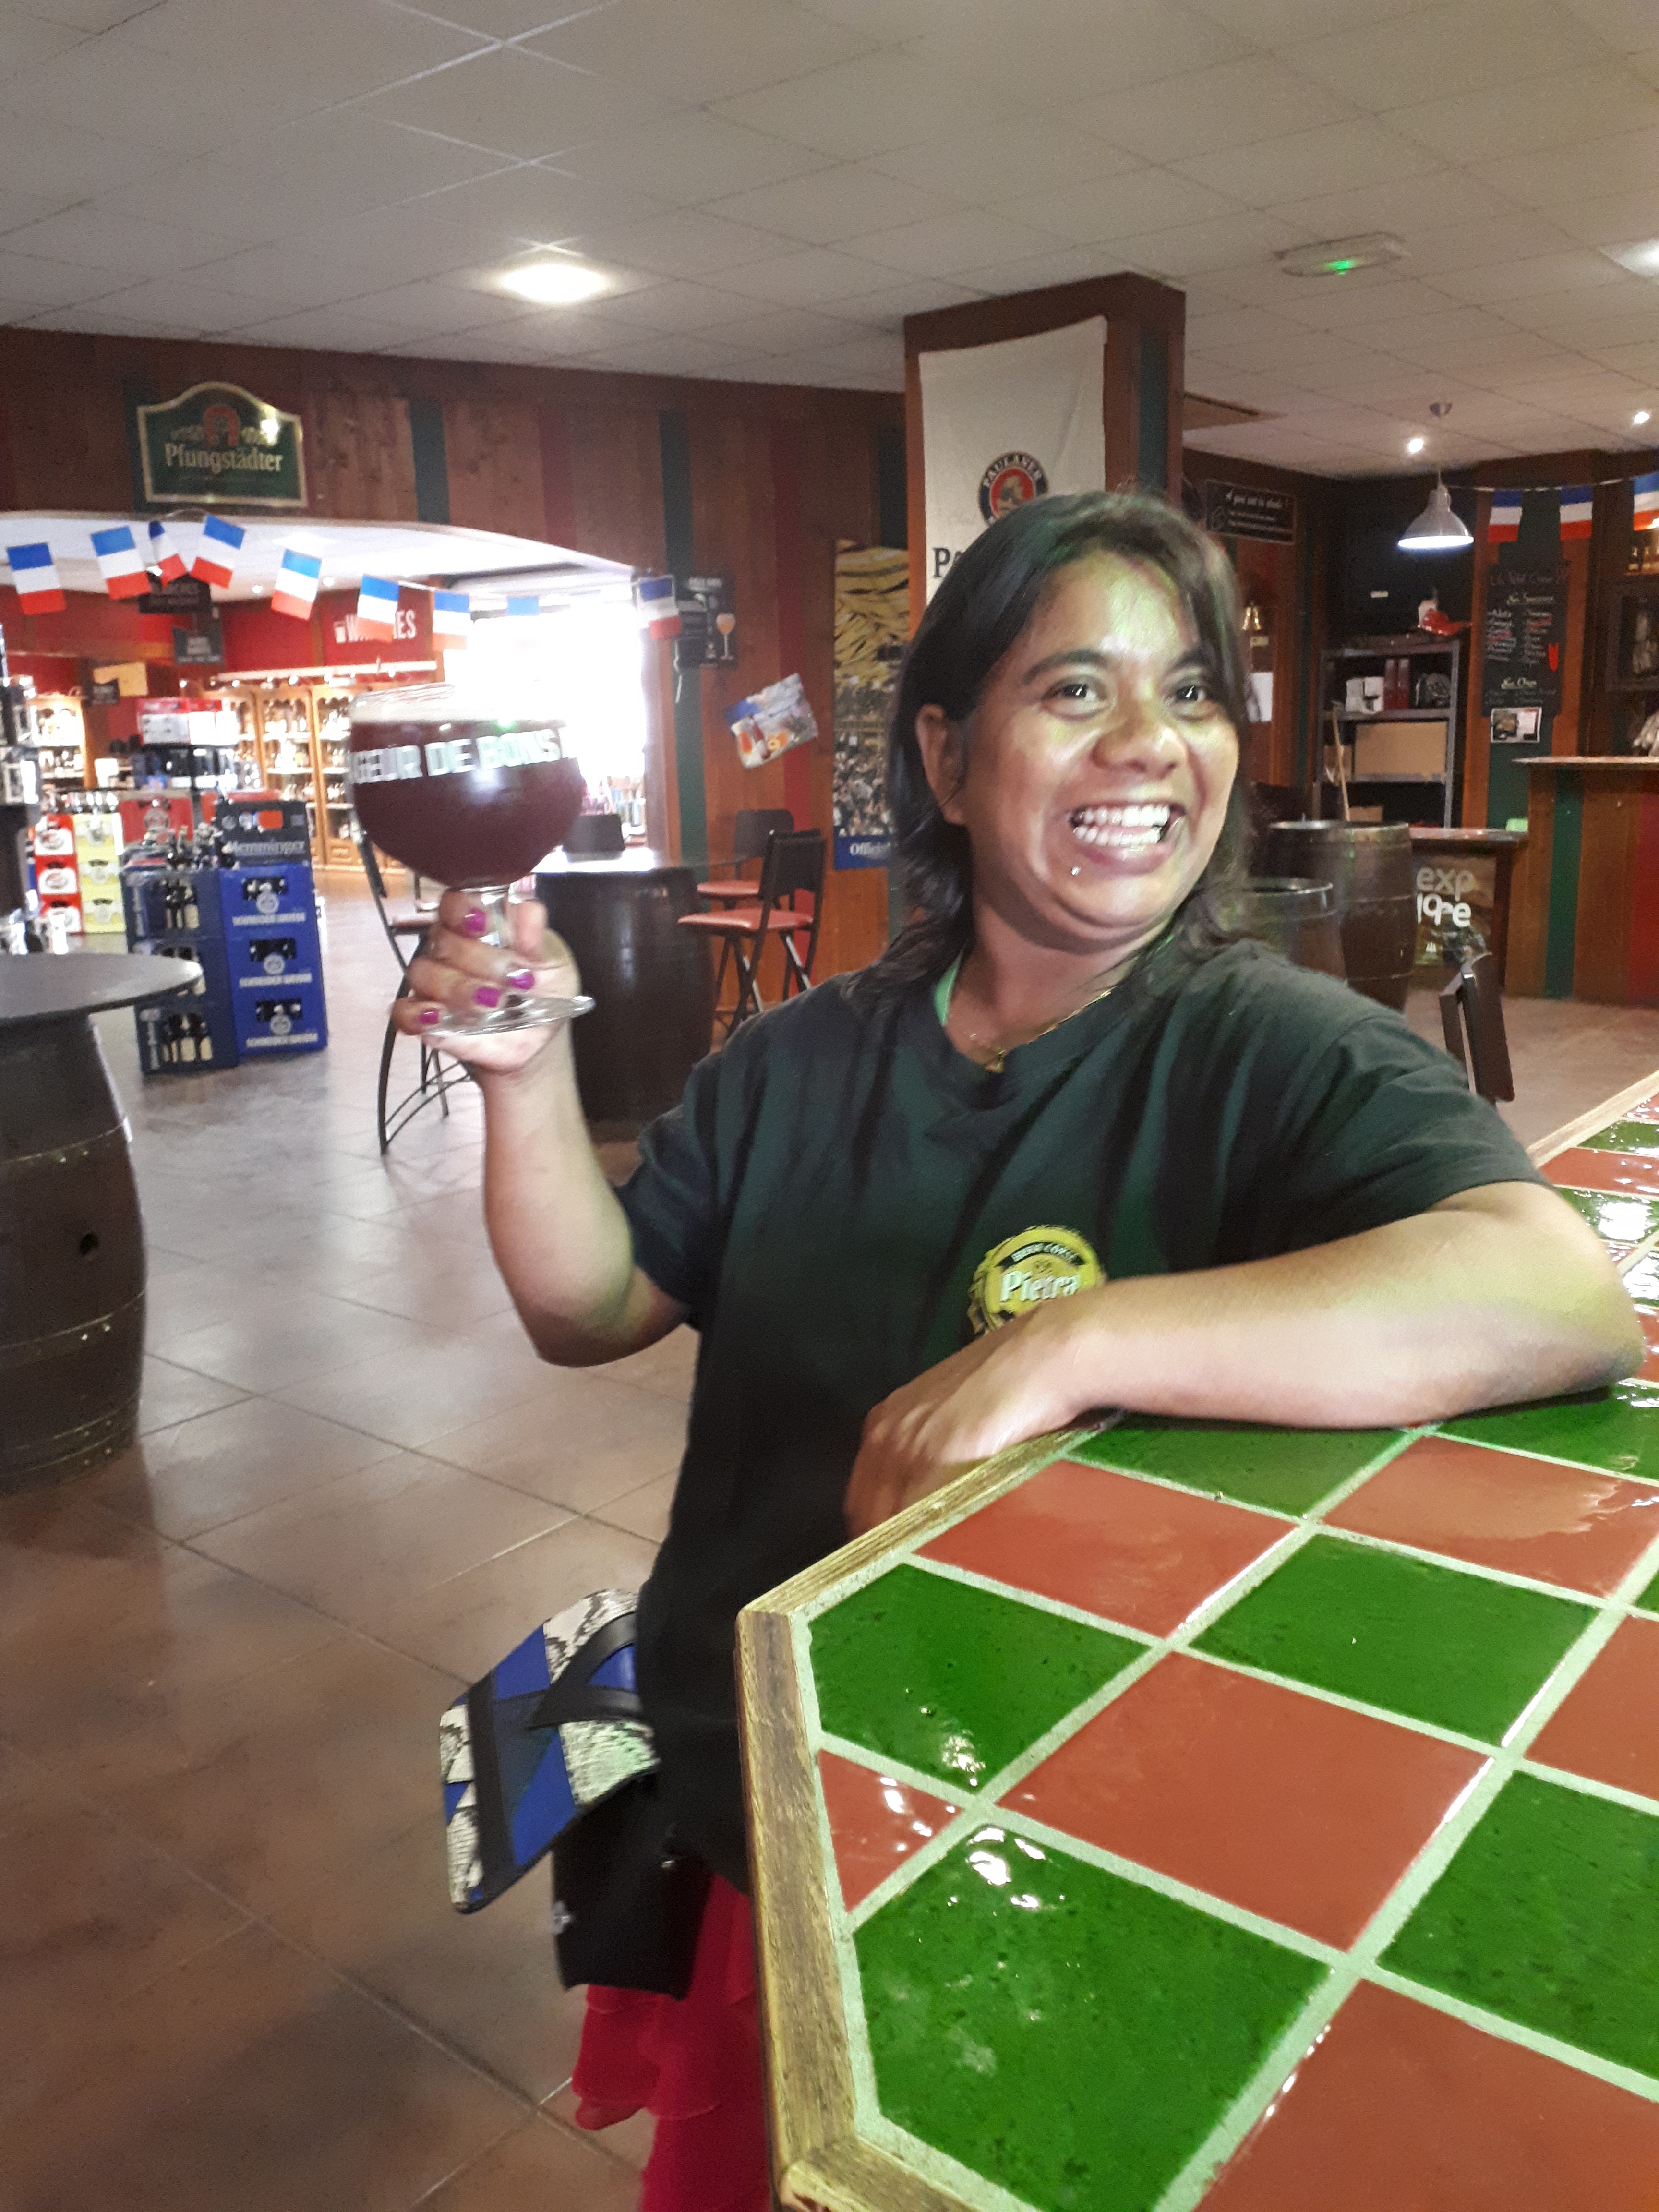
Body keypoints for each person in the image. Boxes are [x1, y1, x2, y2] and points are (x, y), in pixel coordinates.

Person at [396, 491, 1639, 2212]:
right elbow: (589, 1306)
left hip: (1087, 1815)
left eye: (1192, 693)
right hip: (772, 1784)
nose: (1151, 744)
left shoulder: (1274, 1051)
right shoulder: (792, 1062)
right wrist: (524, 1076)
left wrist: (1077, 1341)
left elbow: (1556, 1293)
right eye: (1074, 691)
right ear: (946, 754)